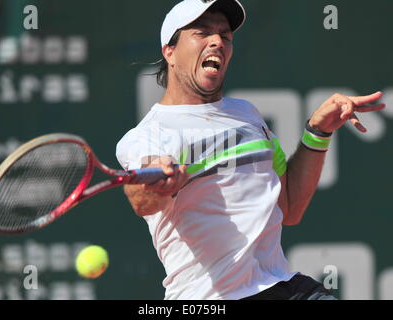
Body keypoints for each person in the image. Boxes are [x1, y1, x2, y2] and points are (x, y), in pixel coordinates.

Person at [116, 0, 385, 300]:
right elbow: (141, 199)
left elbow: (290, 206)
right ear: (170, 51)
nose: (217, 41)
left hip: (284, 286)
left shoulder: (247, 114)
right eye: (202, 32)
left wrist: (318, 131)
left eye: (225, 35)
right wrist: (160, 184)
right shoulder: (148, 136)